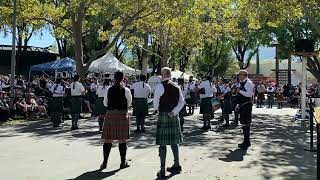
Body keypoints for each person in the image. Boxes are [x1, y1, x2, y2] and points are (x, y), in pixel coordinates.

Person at [153, 67, 184, 178]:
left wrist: (159, 109)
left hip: (163, 115)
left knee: (162, 144)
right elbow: (182, 102)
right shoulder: (177, 86)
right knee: (174, 142)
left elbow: (155, 103)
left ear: (163, 75)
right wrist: (174, 112)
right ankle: (177, 165)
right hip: (173, 116)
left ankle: (162, 170)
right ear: (170, 75)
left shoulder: (160, 86)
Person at [100, 71, 132, 171]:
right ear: (123, 78)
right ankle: (123, 162)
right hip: (122, 115)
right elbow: (129, 103)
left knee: (108, 139)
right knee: (122, 139)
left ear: (114, 78)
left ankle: (104, 162)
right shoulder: (126, 90)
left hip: (110, 115)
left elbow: (105, 103)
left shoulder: (109, 89)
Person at [235, 70, 254, 149]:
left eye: (240, 75)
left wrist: (240, 91)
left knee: (246, 123)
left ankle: (247, 142)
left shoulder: (249, 83)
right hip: (242, 105)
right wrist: (238, 104)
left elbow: (249, 94)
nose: (239, 76)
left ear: (244, 75)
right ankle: (245, 141)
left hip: (246, 105)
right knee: (243, 123)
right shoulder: (242, 82)